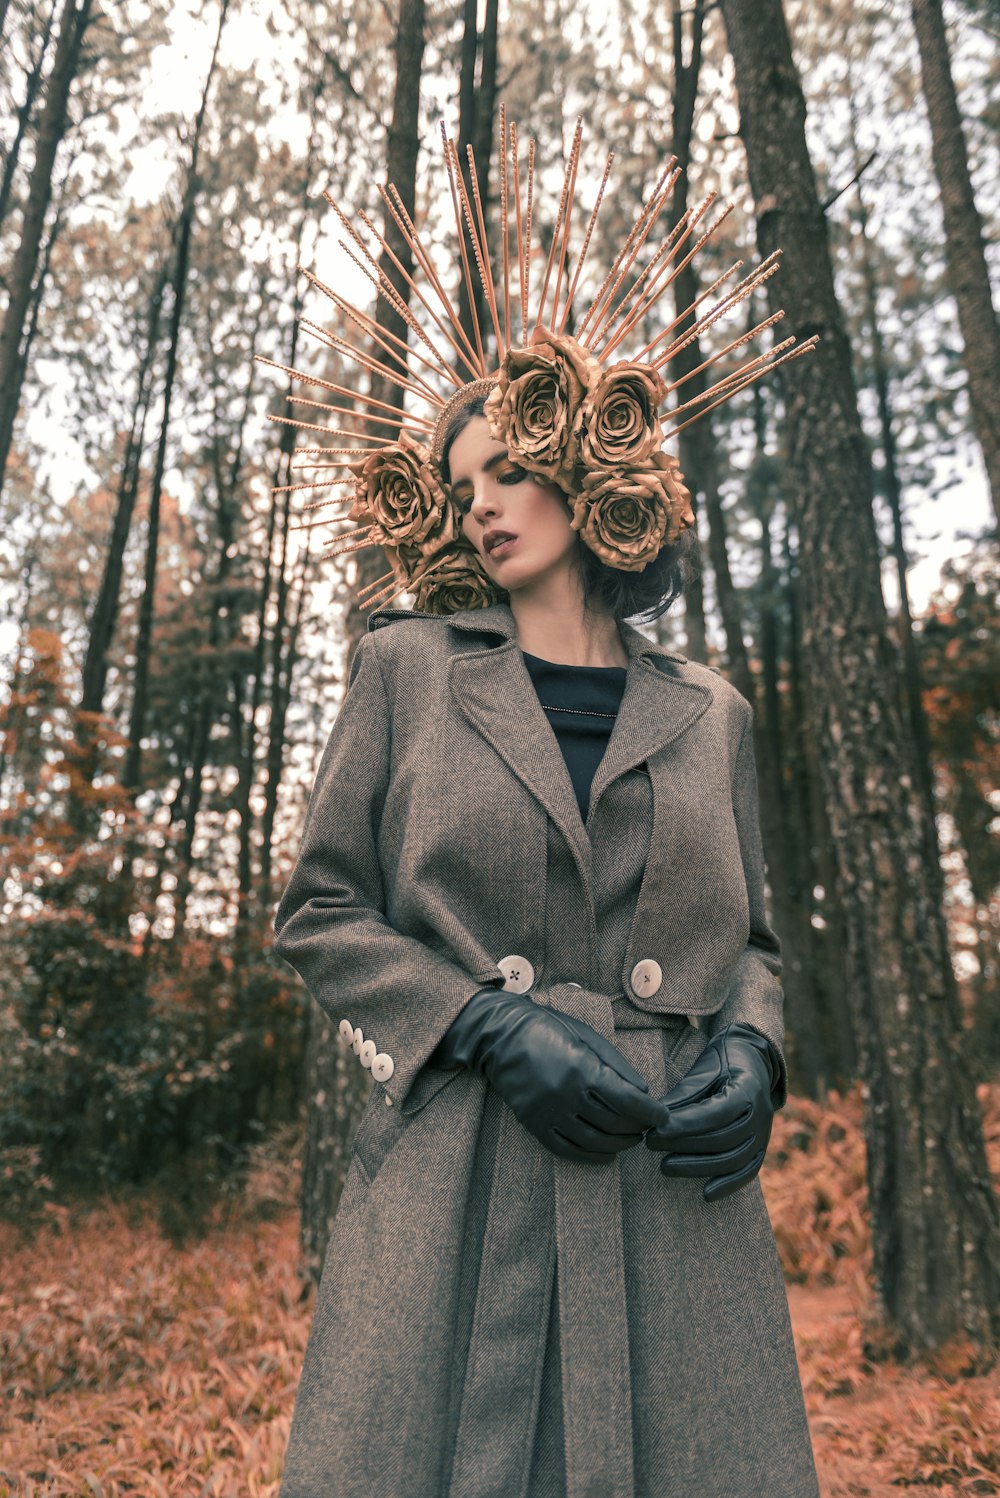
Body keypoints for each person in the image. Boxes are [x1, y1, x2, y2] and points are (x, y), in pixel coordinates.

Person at [268, 115, 821, 1497]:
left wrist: (754, 1059)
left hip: (672, 1193)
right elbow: (320, 910)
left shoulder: (714, 709)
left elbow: (751, 945)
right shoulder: (403, 672)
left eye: (508, 467)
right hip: (459, 1178)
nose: (481, 507)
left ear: (590, 464)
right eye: (459, 489)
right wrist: (482, 1018)